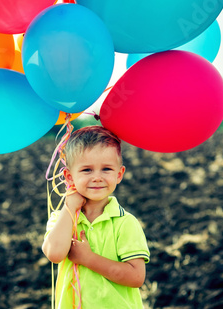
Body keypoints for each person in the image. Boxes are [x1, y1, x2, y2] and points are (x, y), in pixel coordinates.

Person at [42, 125, 150, 308]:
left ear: (119, 174)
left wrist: (88, 259)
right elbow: (54, 253)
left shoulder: (125, 222)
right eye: (87, 170)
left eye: (106, 169)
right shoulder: (63, 219)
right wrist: (69, 207)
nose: (97, 177)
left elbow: (136, 277)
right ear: (69, 177)